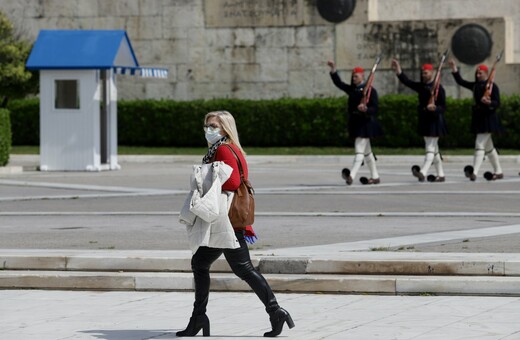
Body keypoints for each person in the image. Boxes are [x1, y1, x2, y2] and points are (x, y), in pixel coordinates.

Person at [177, 110, 294, 338]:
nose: (208, 130)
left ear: (224, 128)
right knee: (201, 263)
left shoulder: (222, 148)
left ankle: (276, 312)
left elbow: (232, 181)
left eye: (213, 126)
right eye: (206, 125)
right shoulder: (230, 147)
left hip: (226, 219)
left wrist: (205, 175)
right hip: (225, 218)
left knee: (243, 269)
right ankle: (198, 318)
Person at [391, 59, 448, 182]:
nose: (423, 75)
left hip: (435, 120)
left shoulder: (439, 88)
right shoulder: (422, 87)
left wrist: (435, 108)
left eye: (426, 73)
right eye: (422, 73)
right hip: (425, 119)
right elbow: (407, 82)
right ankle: (441, 174)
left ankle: (423, 171)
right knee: (434, 149)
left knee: (430, 147)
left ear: (432, 73)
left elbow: (443, 107)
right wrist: (398, 71)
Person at [327, 60, 384, 185]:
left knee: (359, 151)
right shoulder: (353, 90)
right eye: (353, 76)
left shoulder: (370, 91)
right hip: (356, 123)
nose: (354, 78)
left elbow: (375, 108)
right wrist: (333, 70)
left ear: (363, 77)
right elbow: (339, 83)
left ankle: (351, 176)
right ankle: (375, 176)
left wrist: (366, 109)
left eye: (356, 76)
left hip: (365, 123)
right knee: (367, 152)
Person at [448, 60, 504, 181]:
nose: (478, 75)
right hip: (479, 118)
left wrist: (489, 102)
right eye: (477, 73)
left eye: (480, 73)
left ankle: (475, 172)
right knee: (489, 148)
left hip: (488, 119)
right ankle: (498, 172)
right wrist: (454, 69)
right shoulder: (475, 86)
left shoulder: (493, 86)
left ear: (486, 73)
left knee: (479, 144)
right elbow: (461, 81)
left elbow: (497, 102)